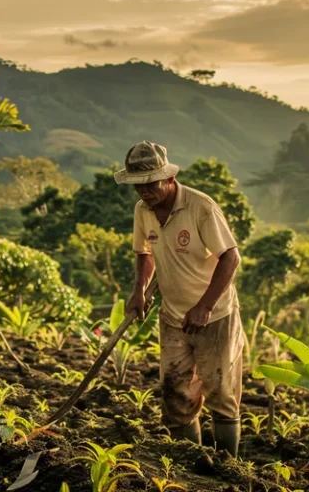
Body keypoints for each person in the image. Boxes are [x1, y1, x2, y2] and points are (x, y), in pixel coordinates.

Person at [116, 141, 244, 457]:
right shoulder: (142, 211)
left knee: (219, 393)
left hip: (214, 317)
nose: (144, 192)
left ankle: (228, 469)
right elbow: (144, 253)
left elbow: (231, 257)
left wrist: (205, 305)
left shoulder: (201, 207)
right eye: (138, 186)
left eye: (150, 183)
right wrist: (138, 290)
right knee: (176, 394)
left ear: (169, 178)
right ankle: (190, 466)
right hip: (173, 315)